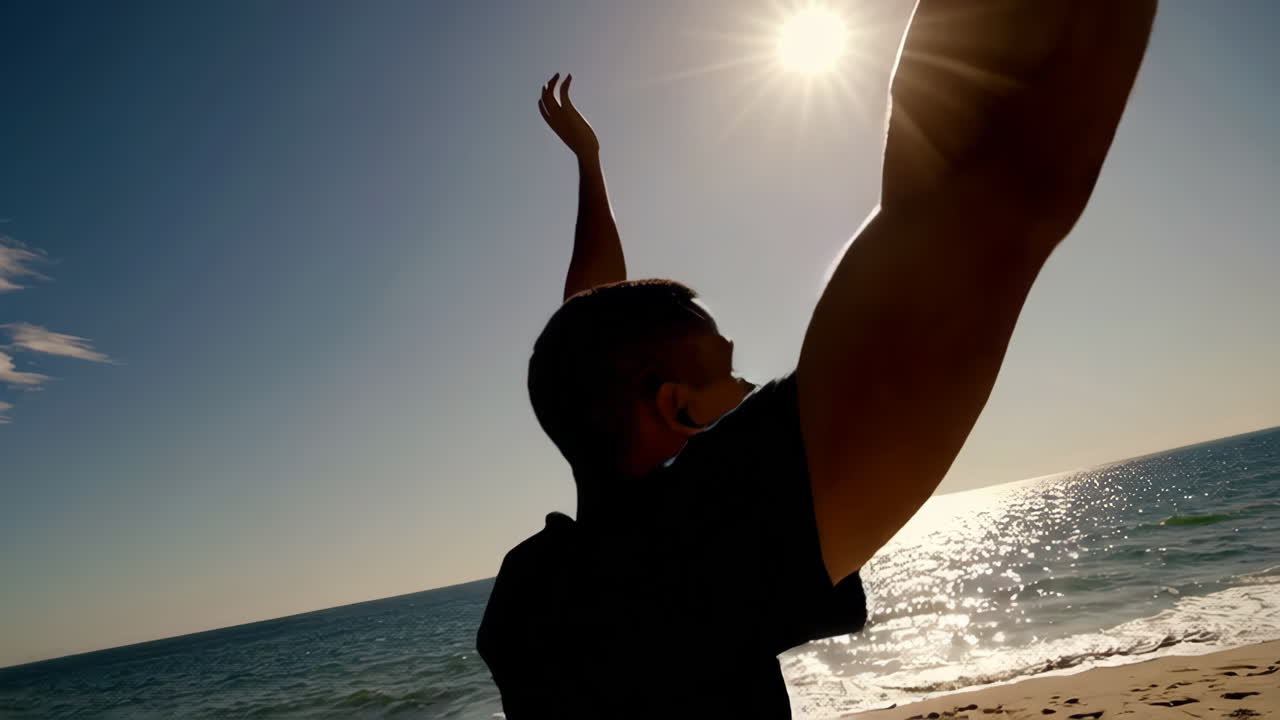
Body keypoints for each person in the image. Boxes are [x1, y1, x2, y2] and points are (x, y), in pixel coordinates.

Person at [478, 1, 1158, 717]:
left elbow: (587, 341)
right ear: (673, 405)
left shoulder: (532, 593)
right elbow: (980, 199)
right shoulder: (701, 548)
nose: (742, 383)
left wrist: (590, 162)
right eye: (724, 369)